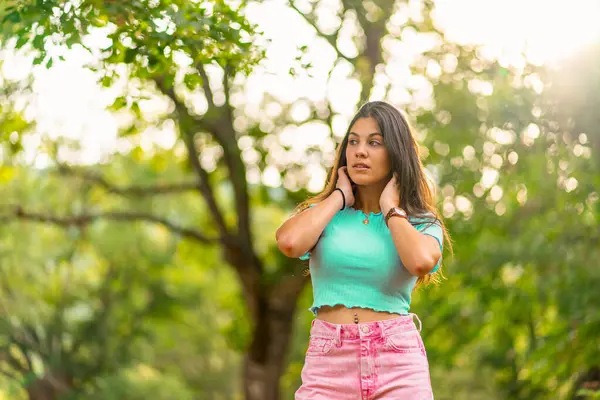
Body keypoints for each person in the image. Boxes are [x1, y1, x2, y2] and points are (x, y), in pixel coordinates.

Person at [275, 101, 451, 399]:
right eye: (353, 142)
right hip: (329, 362)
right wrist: (338, 197)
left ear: (396, 154)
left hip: (398, 362)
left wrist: (391, 209)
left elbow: (421, 262)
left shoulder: (420, 223)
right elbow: (290, 242)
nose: (360, 151)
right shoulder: (325, 216)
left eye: (374, 143)